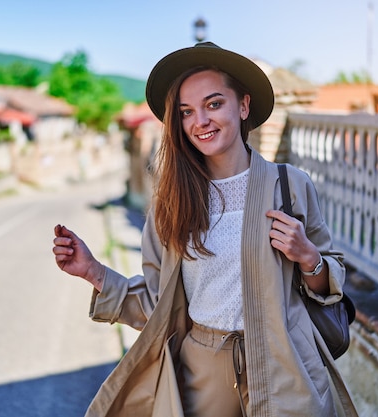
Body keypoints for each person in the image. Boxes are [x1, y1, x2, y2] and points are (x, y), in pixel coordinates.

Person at [53, 42, 357, 417]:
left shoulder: (290, 186)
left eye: (214, 104)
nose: (201, 121)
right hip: (202, 374)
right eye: (186, 111)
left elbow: (329, 281)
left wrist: (309, 258)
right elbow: (158, 306)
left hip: (286, 369)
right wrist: (93, 271)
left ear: (243, 106)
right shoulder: (171, 202)